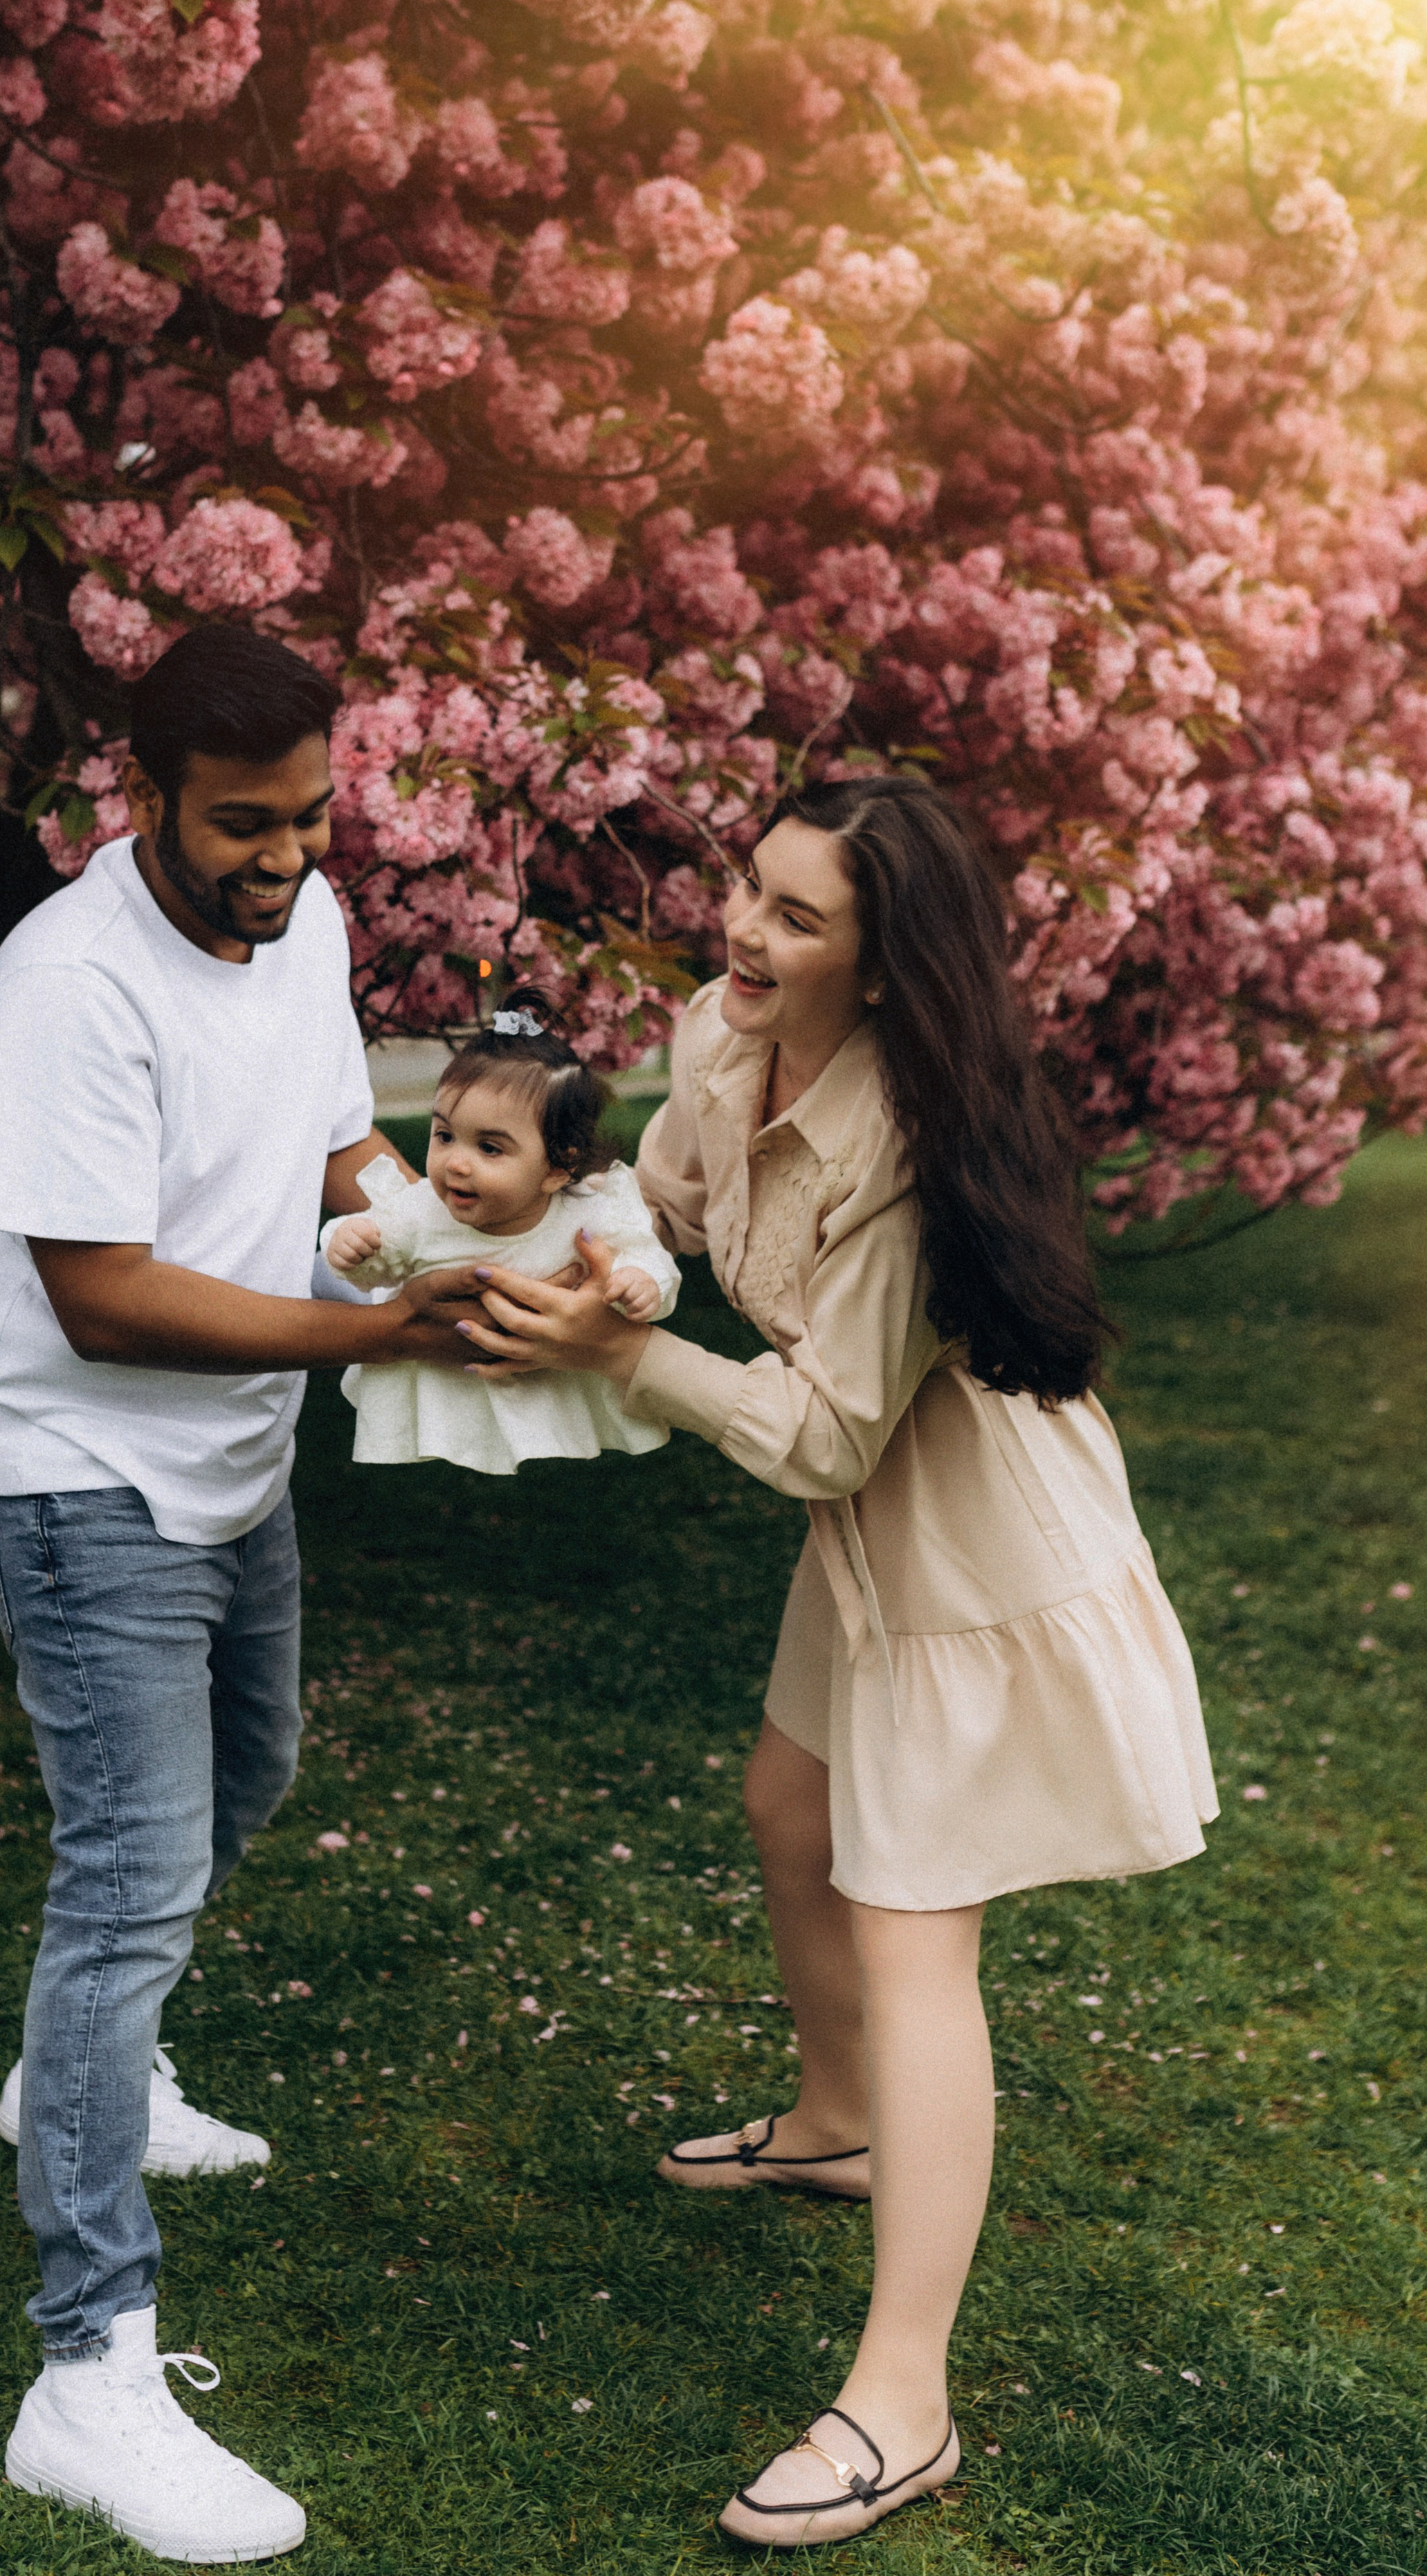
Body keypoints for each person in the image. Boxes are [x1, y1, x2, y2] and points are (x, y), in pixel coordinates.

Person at [459, 773, 1217, 2550]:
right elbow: (658, 1201)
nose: (744, 928)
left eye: (798, 919)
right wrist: (532, 1257)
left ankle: (902, 2398)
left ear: (881, 968)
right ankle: (831, 2119)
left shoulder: (901, 1134)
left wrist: (611, 1358)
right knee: (786, 1800)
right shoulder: (727, 1032)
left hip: (966, 1549)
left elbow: (817, 1432)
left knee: (911, 1919)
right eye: (750, 887)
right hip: (868, 1529)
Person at [0, 623, 478, 2565]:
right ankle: (85, 2374)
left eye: (313, 813)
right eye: (244, 822)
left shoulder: (305, 920)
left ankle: (84, 2072)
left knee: (251, 1777)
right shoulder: (69, 987)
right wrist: (369, 1329)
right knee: (126, 1879)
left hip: (228, 1462)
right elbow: (106, 1291)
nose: (284, 853)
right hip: (78, 1469)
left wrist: (446, 1245)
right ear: (138, 793)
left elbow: (337, 1143)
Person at [320, 990, 679, 1474]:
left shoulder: (587, 1217)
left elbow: (646, 1257)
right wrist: (350, 1245)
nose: (456, 1163)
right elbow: (374, 1259)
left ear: (557, 1168)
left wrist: (643, 1283)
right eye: (444, 1135)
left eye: (490, 1147)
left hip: (549, 1384)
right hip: (450, 1389)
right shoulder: (423, 1212)